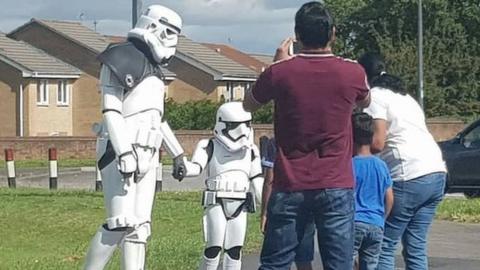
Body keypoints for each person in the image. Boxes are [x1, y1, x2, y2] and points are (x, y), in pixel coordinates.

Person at [243, 2, 370, 269]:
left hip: (290, 181)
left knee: (276, 262)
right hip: (336, 181)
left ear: (297, 35)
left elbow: (249, 104)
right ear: (332, 34)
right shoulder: (352, 72)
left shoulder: (280, 73)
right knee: (339, 263)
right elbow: (365, 101)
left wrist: (276, 65)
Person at [84, 5, 186, 270]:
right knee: (120, 222)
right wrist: (124, 151)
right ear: (154, 27)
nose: (173, 41)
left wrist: (177, 153)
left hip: (149, 153)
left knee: (140, 227)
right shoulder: (118, 57)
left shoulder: (154, 69)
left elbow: (157, 119)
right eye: (170, 33)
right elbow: (110, 110)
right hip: (121, 151)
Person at [358, 52, 447, 270]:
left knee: (384, 245)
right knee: (416, 245)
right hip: (436, 171)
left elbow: (377, 142)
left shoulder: (375, 97)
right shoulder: (405, 96)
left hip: (409, 174)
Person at [180, 102, 264, 270]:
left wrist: (268, 206)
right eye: (234, 125)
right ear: (222, 124)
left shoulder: (251, 150)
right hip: (217, 201)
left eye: (246, 124)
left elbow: (256, 179)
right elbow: (196, 167)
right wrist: (183, 168)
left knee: (235, 250)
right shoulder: (209, 145)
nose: (241, 131)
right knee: (213, 247)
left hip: (241, 203)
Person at [260, 137, 315, 270]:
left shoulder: (276, 141)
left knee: (278, 257)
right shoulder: (310, 140)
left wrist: (264, 213)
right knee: (304, 258)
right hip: (307, 200)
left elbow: (269, 180)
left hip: (282, 199)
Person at [351, 113, 394, 270]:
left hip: (354, 221)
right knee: (370, 264)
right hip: (376, 223)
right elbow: (389, 197)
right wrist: (382, 218)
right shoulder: (381, 165)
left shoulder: (350, 165)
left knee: (346, 261)